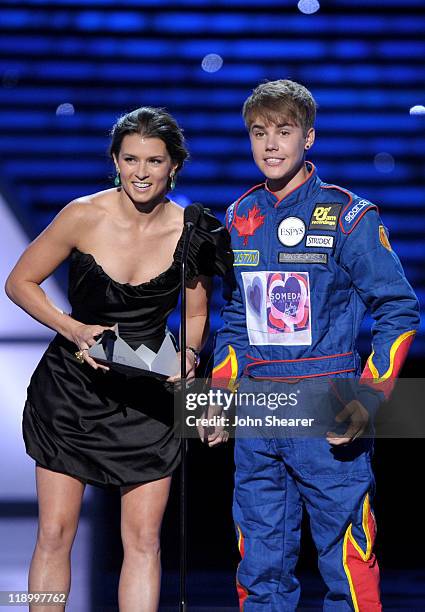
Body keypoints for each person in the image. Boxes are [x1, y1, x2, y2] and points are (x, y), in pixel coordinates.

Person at [5, 106, 231, 612]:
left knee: (145, 540)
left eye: (154, 160)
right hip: (71, 394)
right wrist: (75, 329)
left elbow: (196, 314)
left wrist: (191, 359)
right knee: (56, 532)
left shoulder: (193, 231)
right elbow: (19, 282)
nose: (142, 172)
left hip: (149, 401)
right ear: (115, 160)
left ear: (174, 165)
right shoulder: (82, 214)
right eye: (131, 159)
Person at [206, 80, 420, 610]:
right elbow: (235, 317)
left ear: (310, 137)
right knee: (259, 563)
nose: (271, 144)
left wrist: (369, 396)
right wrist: (217, 395)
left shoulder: (349, 216)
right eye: (259, 133)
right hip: (257, 410)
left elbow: (398, 309)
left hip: (328, 407)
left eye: (284, 131)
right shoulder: (237, 220)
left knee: (345, 559)